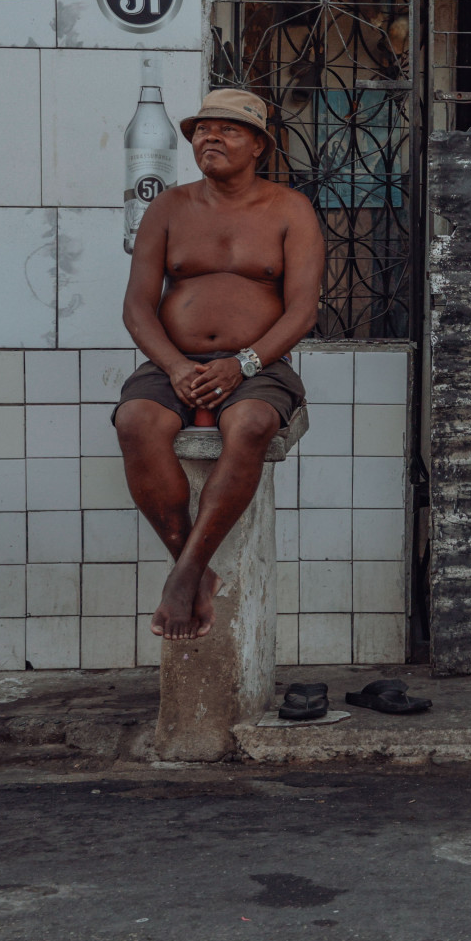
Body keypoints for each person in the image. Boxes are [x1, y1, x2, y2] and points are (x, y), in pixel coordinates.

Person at [114, 89, 325, 641]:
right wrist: (176, 367)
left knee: (251, 423)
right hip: (174, 361)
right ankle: (193, 571)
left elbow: (304, 310)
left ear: (258, 145)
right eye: (203, 129)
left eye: (228, 130)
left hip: (259, 365)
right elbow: (136, 306)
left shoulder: (289, 210)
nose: (210, 138)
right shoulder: (169, 207)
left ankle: (182, 577)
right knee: (136, 421)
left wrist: (245, 362)